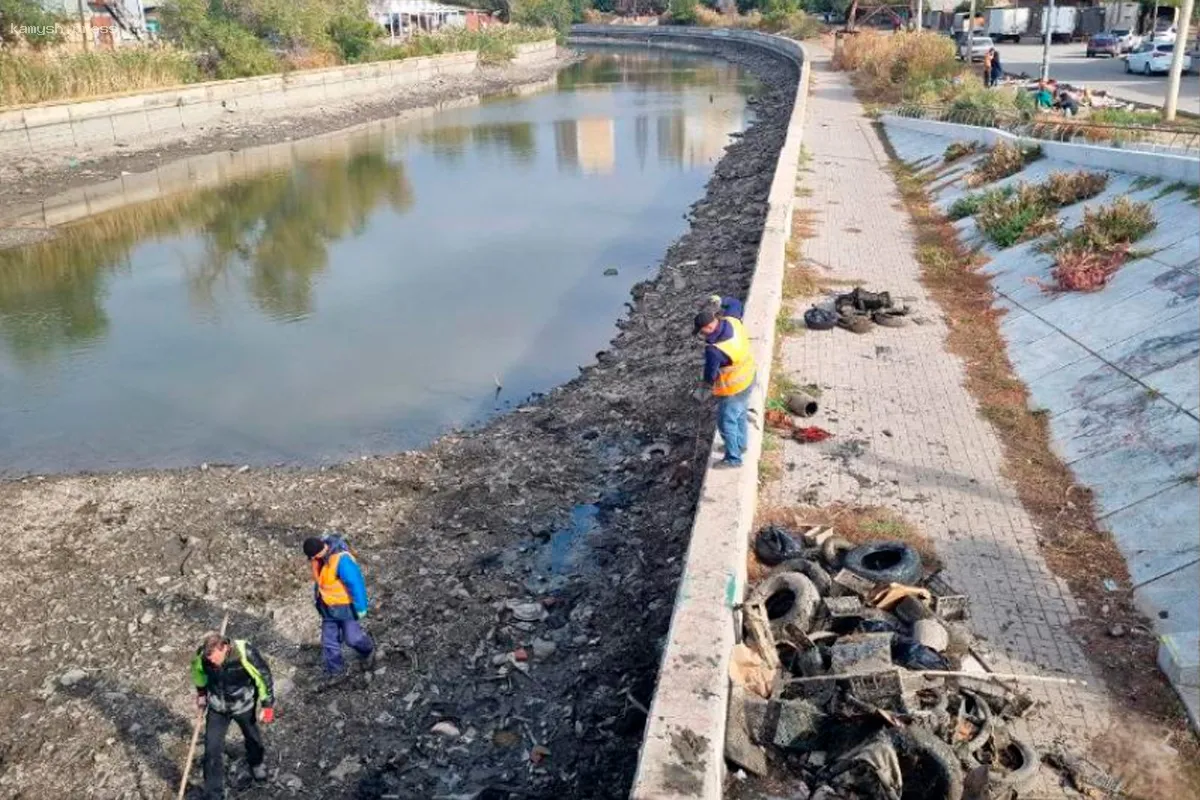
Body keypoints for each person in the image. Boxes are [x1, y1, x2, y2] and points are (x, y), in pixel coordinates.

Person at [191, 633, 275, 799]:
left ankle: (257, 763)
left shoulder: (245, 652)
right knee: (212, 749)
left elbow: (263, 676)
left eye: (215, 659)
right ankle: (214, 793)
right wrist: (201, 693)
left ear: (224, 648)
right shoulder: (203, 656)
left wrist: (267, 705)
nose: (212, 662)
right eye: (210, 660)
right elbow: (198, 673)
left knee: (252, 737)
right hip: (217, 707)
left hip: (243, 704)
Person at [303, 534, 375, 683]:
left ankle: (368, 649)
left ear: (318, 552)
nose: (311, 560)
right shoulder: (319, 560)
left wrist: (361, 607)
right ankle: (336, 671)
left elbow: (356, 583)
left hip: (346, 607)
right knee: (329, 641)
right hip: (328, 608)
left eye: (312, 557)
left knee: (352, 638)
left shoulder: (342, 560)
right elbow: (321, 583)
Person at [693, 307, 756, 469]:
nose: (702, 335)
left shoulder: (714, 349)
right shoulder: (732, 321)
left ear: (707, 328)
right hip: (749, 376)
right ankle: (739, 445)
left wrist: (705, 386)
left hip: (733, 387)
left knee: (726, 422)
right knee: (740, 414)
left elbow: (710, 373)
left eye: (701, 331)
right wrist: (721, 303)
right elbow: (734, 304)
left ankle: (733, 459)